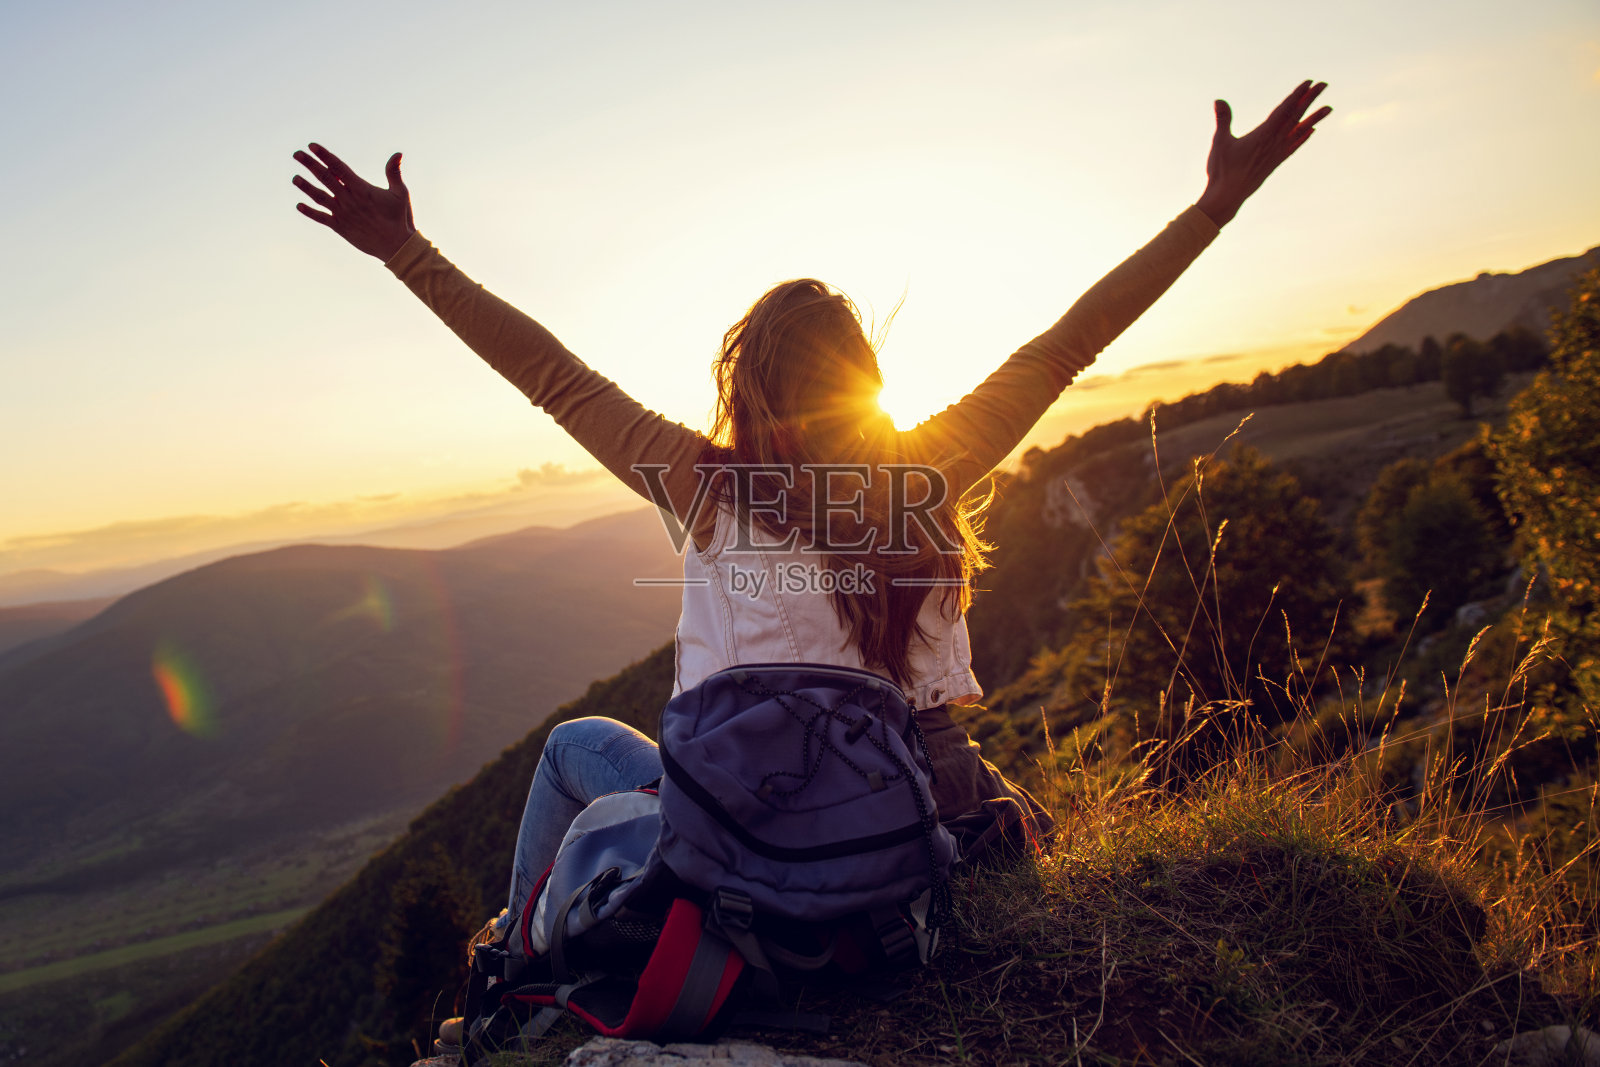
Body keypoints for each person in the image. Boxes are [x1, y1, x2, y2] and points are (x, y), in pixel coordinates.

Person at [292, 81, 1331, 930]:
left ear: (747, 386)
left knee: (574, 748)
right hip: (924, 814)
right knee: (986, 783)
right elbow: (1067, 345)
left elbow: (551, 376)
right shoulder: (928, 472)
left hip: (758, 831)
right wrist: (1211, 209)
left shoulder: (702, 487)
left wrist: (407, 255)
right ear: (862, 376)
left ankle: (529, 960)